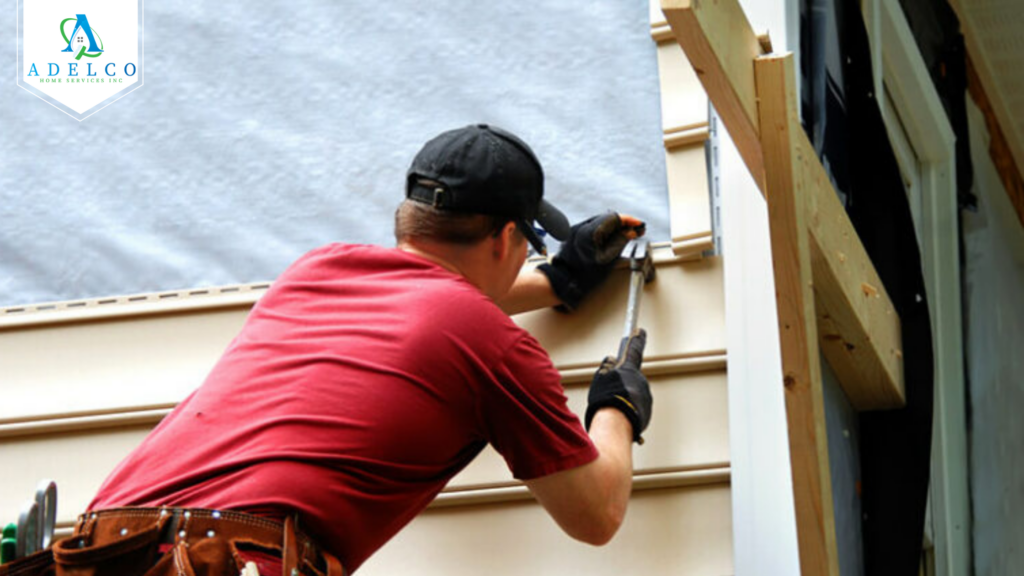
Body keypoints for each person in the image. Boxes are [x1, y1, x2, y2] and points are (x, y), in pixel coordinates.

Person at [9, 124, 653, 576]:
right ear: (506, 237)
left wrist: (558, 281)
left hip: (101, 553)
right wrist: (615, 407)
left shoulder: (314, 273)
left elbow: (425, 315)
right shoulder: (492, 346)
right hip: (228, 565)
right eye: (529, 245)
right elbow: (596, 515)